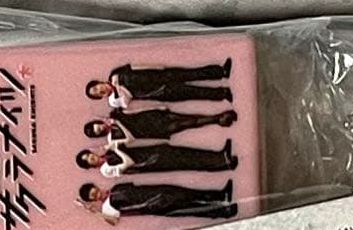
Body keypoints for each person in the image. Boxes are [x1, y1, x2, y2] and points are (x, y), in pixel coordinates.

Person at [85, 57, 233, 108]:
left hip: (158, 75)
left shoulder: (114, 74)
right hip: (159, 91)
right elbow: (126, 101)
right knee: (192, 92)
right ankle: (222, 93)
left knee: (191, 73)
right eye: (98, 94)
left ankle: (221, 72)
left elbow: (134, 67)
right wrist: (117, 88)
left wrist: (156, 67)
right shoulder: (113, 101)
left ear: (99, 82)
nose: (100, 90)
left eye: (97, 88)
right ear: (101, 97)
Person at [78, 181, 236, 223]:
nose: (97, 193)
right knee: (191, 208)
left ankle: (221, 195)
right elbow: (114, 221)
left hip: (158, 191)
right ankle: (223, 212)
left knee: (190, 193)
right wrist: (94, 212)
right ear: (93, 200)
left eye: (94, 190)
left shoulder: (115, 188)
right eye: (93, 196)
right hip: (156, 206)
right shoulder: (107, 208)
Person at [75, 140, 237, 178]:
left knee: (186, 152)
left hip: (150, 151)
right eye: (89, 160)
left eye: (89, 155)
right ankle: (221, 165)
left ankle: (219, 155)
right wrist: (118, 149)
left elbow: (129, 140)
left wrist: (113, 145)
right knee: (187, 163)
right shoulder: (105, 170)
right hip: (149, 163)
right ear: (91, 166)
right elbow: (127, 164)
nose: (92, 157)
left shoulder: (107, 151)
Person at [84, 108, 238, 145]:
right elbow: (130, 139)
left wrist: (156, 108)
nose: (101, 128)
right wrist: (118, 124)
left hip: (153, 117)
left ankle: (220, 117)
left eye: (98, 126)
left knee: (189, 116)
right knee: (188, 124)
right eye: (99, 131)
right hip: (153, 130)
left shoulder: (114, 114)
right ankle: (218, 119)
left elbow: (134, 111)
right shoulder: (112, 139)